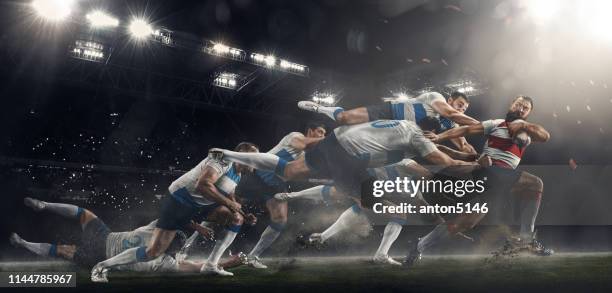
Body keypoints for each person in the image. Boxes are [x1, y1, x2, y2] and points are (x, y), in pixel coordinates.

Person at [405, 95, 552, 267]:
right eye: (518, 104)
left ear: (529, 113)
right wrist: (440, 137)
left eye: (525, 108)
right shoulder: (496, 124)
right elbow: (466, 130)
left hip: (498, 180)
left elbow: (545, 136)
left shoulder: (528, 132)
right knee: (535, 183)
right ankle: (527, 239)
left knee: (465, 222)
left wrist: (525, 125)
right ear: (511, 104)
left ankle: (419, 245)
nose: (520, 108)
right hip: (490, 171)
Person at [90, 142, 259, 281]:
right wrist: (229, 203)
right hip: (179, 201)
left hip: (197, 206)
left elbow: (229, 194)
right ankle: (101, 266)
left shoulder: (238, 174)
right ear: (241, 154)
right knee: (153, 252)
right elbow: (203, 184)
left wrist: (244, 213)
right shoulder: (223, 162)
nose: (257, 159)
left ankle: (211, 264)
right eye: (254, 155)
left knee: (235, 217)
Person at [9, 197, 211, 275]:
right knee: (63, 251)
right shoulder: (164, 262)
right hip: (100, 258)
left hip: (105, 237)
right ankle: (23, 243)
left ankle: (45, 205)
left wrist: (195, 226)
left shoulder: (155, 229)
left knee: (83, 213)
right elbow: (195, 267)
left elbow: (173, 216)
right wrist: (227, 263)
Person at [234, 122, 326, 269]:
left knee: (280, 220)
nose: (322, 136)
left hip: (275, 183)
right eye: (320, 132)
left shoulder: (308, 155)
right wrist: (329, 140)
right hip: (261, 173)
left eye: (324, 134)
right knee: (228, 205)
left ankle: (252, 256)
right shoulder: (296, 136)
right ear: (310, 131)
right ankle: (191, 243)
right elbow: (302, 144)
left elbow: (297, 174)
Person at [298, 91, 478, 154]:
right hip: (389, 111)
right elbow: (452, 114)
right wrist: (486, 125)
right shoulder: (436, 98)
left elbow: (464, 146)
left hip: (394, 132)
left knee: (351, 140)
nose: (462, 109)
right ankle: (320, 108)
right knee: (344, 118)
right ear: (450, 99)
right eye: (460, 105)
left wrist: (487, 155)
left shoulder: (451, 126)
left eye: (465, 108)